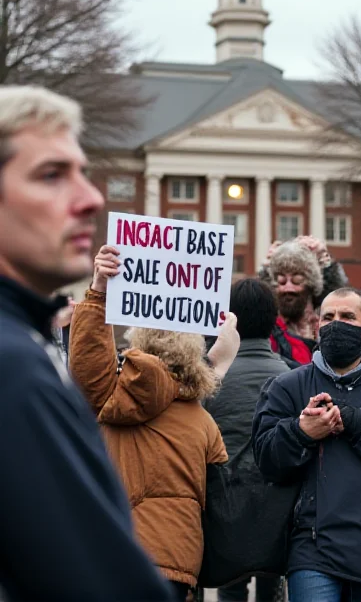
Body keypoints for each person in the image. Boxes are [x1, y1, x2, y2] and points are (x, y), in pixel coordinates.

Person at [0, 85, 172, 601]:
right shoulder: (13, 367)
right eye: (52, 175)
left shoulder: (25, 346)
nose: (92, 197)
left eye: (81, 171)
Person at [69, 244, 240, 602]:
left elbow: (87, 368)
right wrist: (218, 363)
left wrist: (98, 290)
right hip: (179, 558)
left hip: (115, 550)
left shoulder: (115, 398)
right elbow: (222, 501)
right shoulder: (204, 420)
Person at [252, 286, 361, 602]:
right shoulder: (286, 386)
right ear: (316, 326)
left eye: (348, 316)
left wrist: (359, 422)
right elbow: (266, 460)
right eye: (329, 317)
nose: (336, 323)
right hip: (311, 550)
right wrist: (301, 432)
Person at [205, 278, 289, 602]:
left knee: (231, 586)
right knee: (272, 587)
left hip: (224, 503)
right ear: (273, 320)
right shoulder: (291, 376)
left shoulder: (210, 380)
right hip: (277, 507)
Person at [263, 237, 347, 367]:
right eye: (281, 280)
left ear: (311, 283)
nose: (288, 288)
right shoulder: (269, 331)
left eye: (296, 280)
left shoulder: (328, 327)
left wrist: (328, 265)